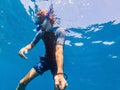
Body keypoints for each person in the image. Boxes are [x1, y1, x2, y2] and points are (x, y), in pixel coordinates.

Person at [16, 9, 68, 90]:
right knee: (22, 83)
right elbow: (31, 44)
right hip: (45, 61)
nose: (38, 24)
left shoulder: (60, 31)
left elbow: (59, 51)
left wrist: (60, 73)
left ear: (47, 20)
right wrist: (25, 48)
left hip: (56, 63)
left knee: (59, 87)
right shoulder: (41, 33)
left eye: (39, 21)